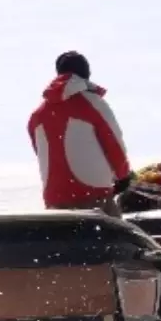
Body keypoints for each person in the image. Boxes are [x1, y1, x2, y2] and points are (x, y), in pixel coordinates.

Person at [27, 50, 134, 217]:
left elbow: (40, 151)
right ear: (86, 73)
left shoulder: (37, 116)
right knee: (111, 240)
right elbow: (114, 143)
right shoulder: (93, 104)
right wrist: (123, 176)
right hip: (94, 196)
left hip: (55, 200)